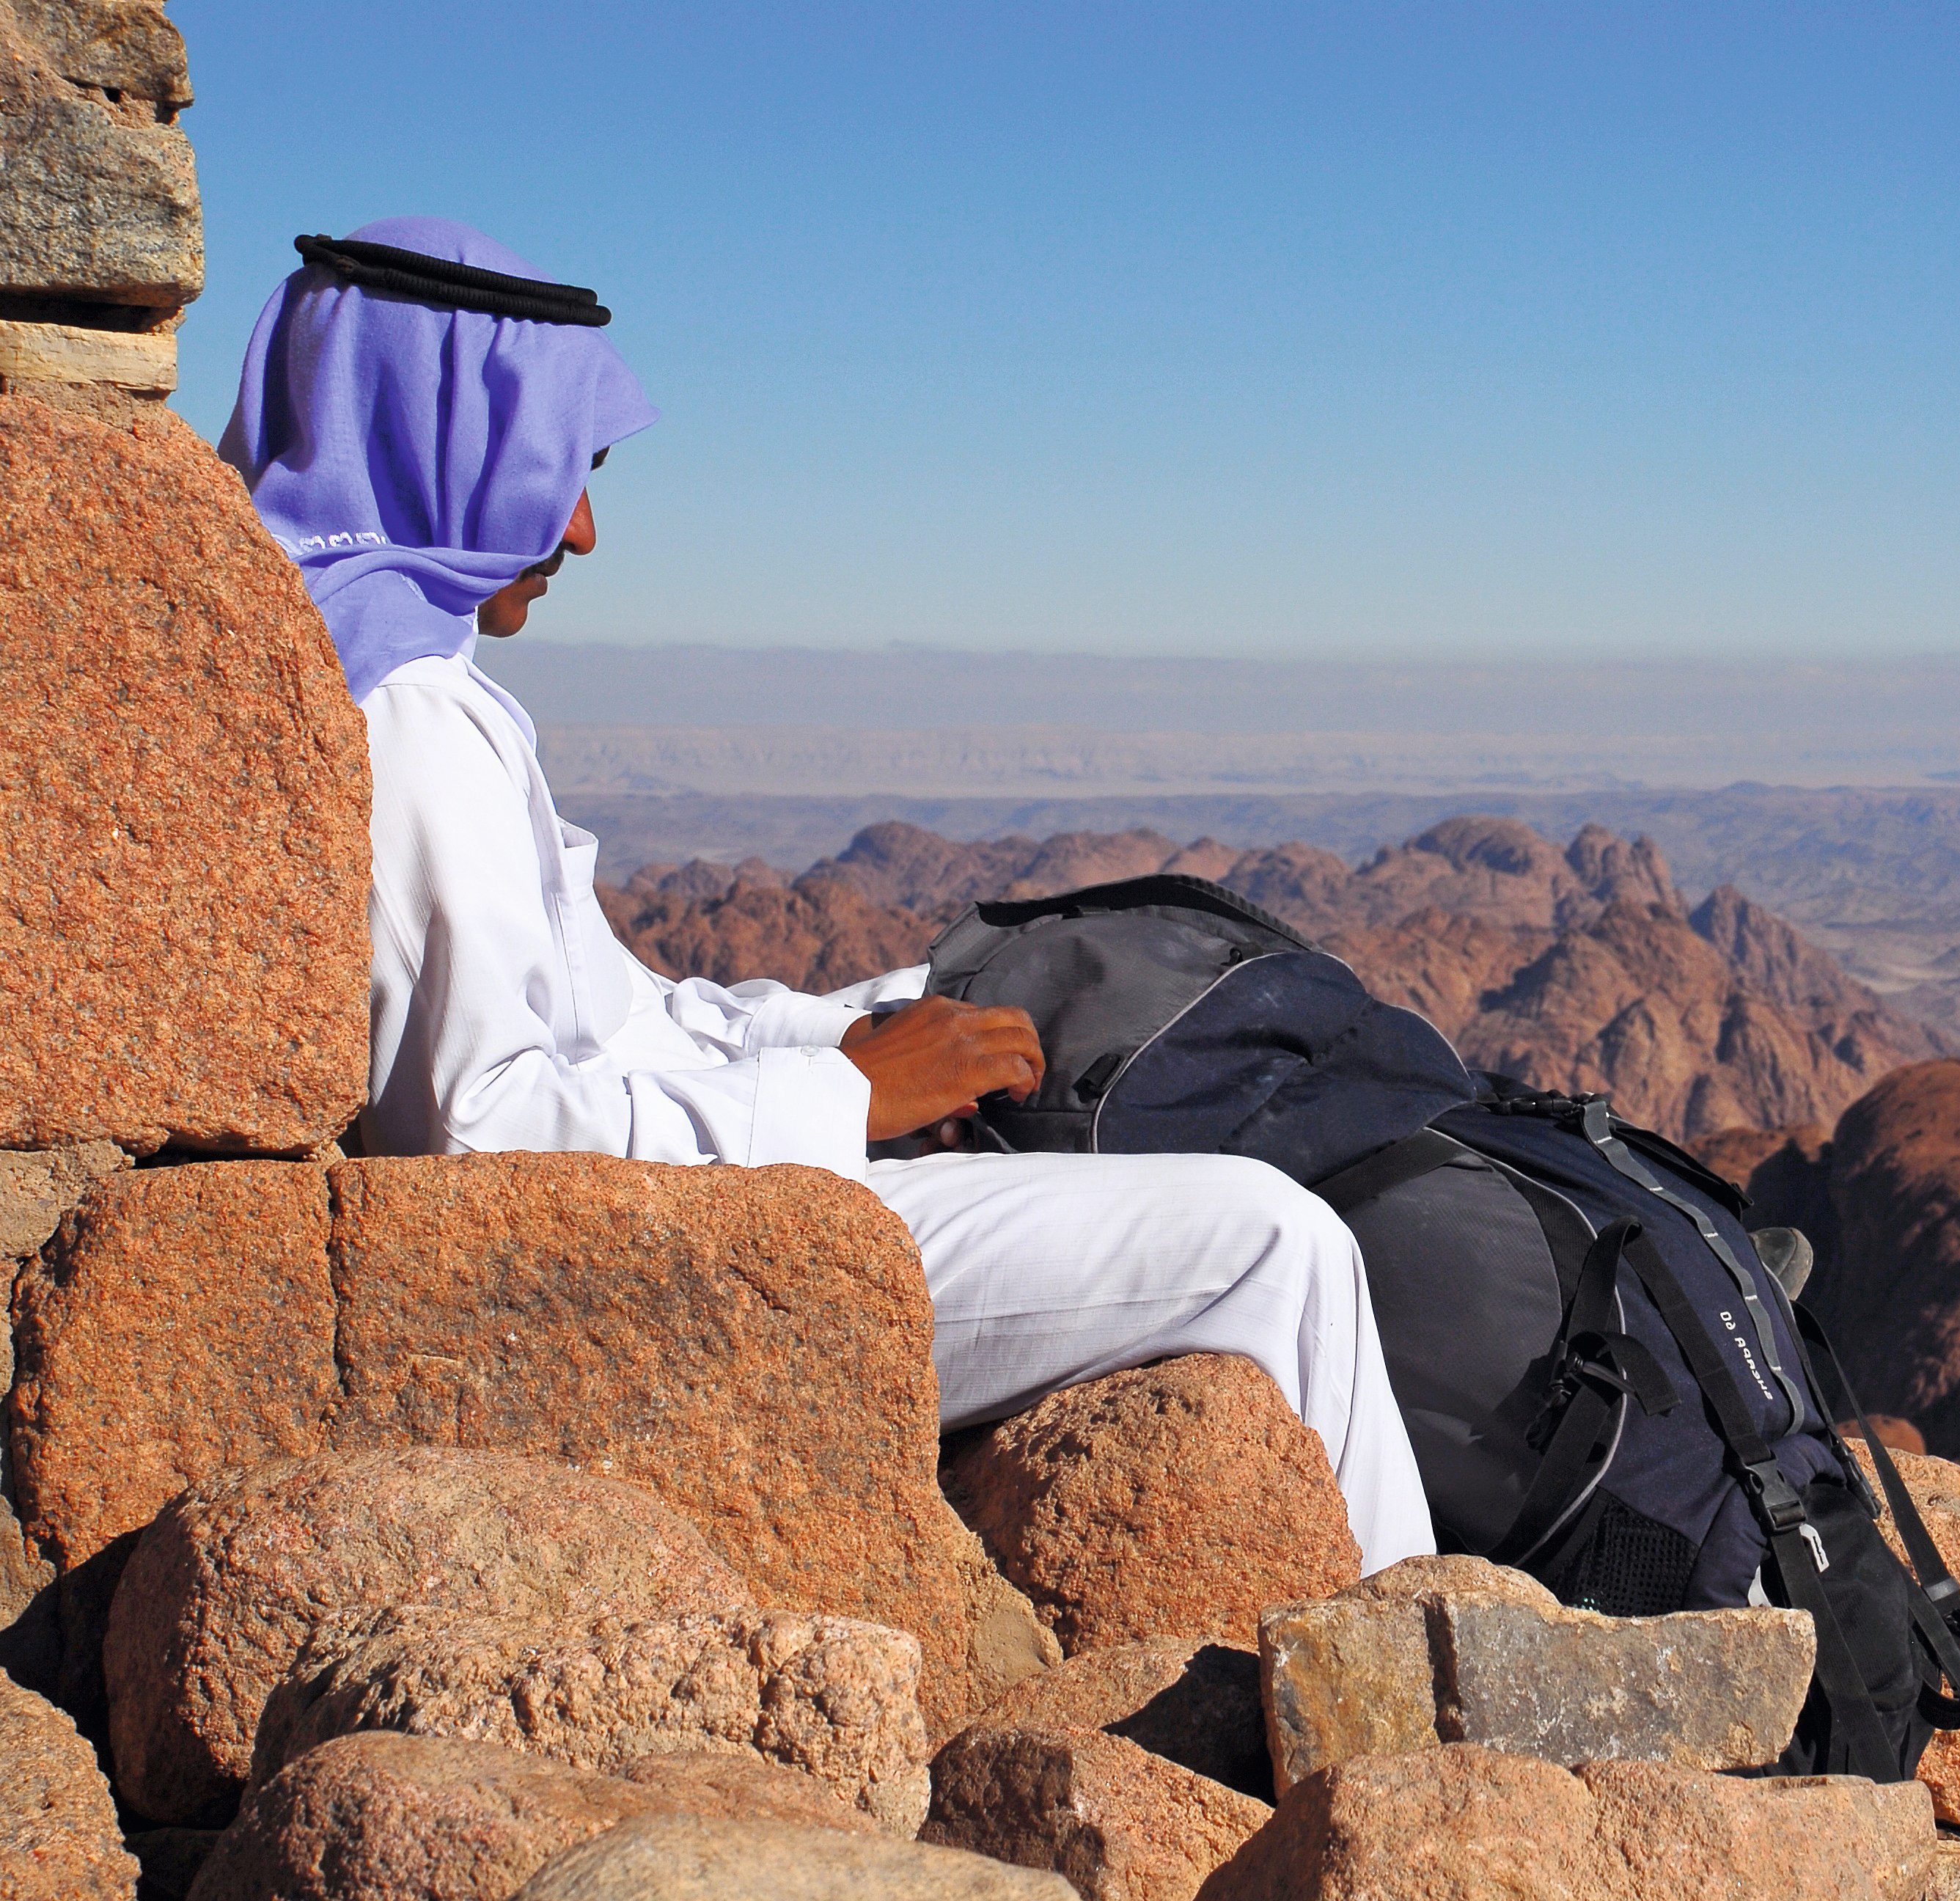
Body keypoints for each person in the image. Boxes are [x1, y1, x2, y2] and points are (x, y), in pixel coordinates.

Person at [219, 217, 1434, 1573]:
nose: (584, 529)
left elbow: (612, 1018)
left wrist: (850, 1027)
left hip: (668, 1201)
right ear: (434, 439)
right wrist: (847, 1102)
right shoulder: (412, 716)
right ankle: (1442, 1749)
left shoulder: (352, 665)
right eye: (557, 472)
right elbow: (484, 1136)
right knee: (1276, 1244)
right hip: (625, 1277)